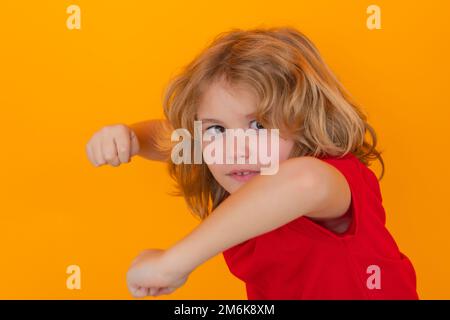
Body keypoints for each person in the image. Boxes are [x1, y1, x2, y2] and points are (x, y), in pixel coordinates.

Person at [85, 26, 419, 299]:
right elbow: (176, 136)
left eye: (259, 125)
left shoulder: (335, 179)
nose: (235, 149)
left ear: (307, 124)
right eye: (217, 129)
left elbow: (304, 182)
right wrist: (131, 138)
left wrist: (172, 262)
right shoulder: (237, 168)